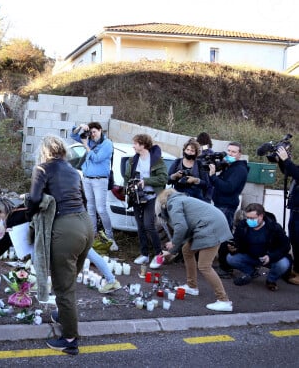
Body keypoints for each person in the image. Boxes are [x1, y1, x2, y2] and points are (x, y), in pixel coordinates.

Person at [26, 135, 93, 355]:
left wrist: (30, 221)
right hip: (85, 224)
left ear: (44, 152)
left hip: (66, 228)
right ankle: (63, 316)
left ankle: (70, 339)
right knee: (69, 279)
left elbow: (34, 200)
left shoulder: (42, 169)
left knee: (64, 287)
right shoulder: (74, 171)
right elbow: (84, 200)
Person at [157, 189, 233, 312]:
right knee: (187, 250)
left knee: (204, 266)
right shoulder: (180, 200)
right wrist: (174, 249)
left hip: (210, 228)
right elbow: (187, 226)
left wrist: (172, 247)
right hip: (211, 224)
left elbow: (181, 227)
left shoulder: (172, 204)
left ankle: (224, 301)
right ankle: (192, 286)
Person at [124, 133, 168, 269]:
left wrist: (146, 181)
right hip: (136, 197)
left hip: (152, 197)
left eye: (135, 143)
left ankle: (159, 254)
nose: (133, 146)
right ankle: (144, 254)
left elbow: (163, 179)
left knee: (149, 225)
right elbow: (127, 177)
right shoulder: (132, 160)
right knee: (140, 226)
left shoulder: (157, 161)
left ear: (143, 145)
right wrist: (129, 186)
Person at [227, 203, 294, 291]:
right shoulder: (243, 225)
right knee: (230, 258)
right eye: (247, 218)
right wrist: (234, 247)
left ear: (261, 216)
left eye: (252, 218)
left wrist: (271, 257)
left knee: (283, 264)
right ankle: (251, 272)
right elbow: (237, 241)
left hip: (269, 258)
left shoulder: (274, 227)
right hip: (250, 255)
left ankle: (271, 280)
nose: (249, 221)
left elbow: (285, 246)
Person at [208, 141, 249, 278]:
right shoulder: (229, 167)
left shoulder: (239, 170)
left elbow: (228, 187)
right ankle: (223, 265)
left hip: (227, 205)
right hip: (220, 203)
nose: (230, 154)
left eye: (234, 152)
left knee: (223, 236)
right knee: (220, 235)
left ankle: (226, 268)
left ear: (239, 154)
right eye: (229, 151)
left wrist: (213, 176)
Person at [70, 122, 115, 242]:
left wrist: (86, 145)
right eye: (91, 132)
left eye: (94, 132)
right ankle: (92, 236)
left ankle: (110, 237)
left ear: (100, 130)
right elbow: (73, 135)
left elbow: (96, 158)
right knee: (90, 208)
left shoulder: (107, 144)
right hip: (87, 179)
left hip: (100, 180)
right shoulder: (89, 139)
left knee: (101, 209)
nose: (93, 135)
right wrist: (80, 127)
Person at [275, 146, 299, 282]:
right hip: (295, 210)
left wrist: (287, 160)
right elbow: (289, 171)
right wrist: (281, 161)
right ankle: (296, 270)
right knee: (295, 241)